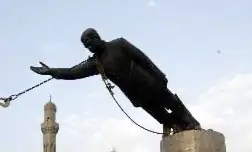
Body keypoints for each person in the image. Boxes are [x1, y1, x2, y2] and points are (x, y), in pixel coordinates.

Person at [30, 28, 200, 131]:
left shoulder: (119, 44)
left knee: (172, 103)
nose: (89, 48)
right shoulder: (96, 63)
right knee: (159, 113)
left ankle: (190, 123)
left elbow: (143, 59)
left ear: (96, 37)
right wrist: (52, 71)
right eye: (86, 46)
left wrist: (160, 75)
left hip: (150, 83)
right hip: (137, 94)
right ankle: (177, 128)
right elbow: (73, 72)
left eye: (89, 43)